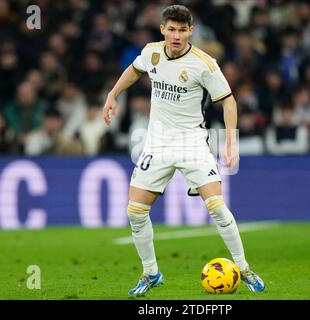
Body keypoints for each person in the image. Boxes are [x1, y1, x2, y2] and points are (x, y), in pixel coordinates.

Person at [102, 5, 264, 295]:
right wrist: (113, 95)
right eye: (172, 29)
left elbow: (228, 101)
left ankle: (244, 268)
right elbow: (134, 70)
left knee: (216, 207)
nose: (176, 36)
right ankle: (151, 273)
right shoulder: (152, 52)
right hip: (157, 142)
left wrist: (230, 143)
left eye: (182, 30)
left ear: (191, 31)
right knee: (135, 212)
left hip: (192, 143)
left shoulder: (204, 64)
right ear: (162, 29)